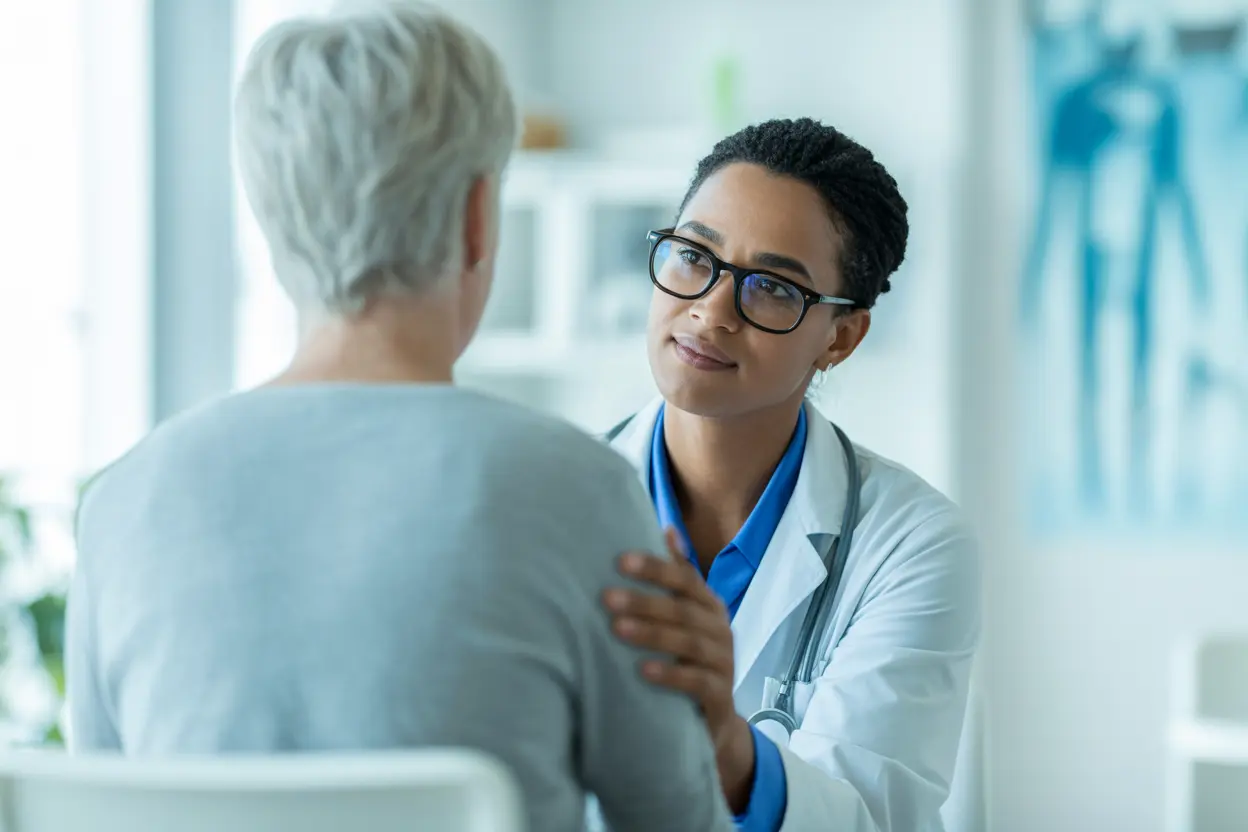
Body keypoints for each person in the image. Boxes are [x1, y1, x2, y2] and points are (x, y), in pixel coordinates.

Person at [65, 4, 735, 831]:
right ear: (476, 218)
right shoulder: (578, 490)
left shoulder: (122, 502)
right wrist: (713, 722)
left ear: (271, 220)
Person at [599, 118, 982, 831]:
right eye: (693, 256)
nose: (711, 310)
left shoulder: (911, 545)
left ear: (841, 337)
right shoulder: (552, 500)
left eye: (773, 288)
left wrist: (727, 746)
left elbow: (870, 816)